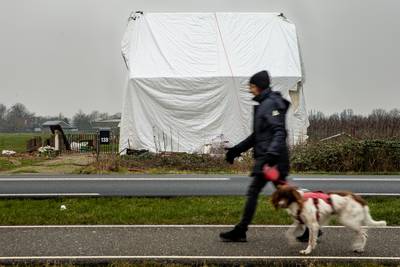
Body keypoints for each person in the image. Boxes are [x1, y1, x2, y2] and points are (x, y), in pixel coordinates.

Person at [219, 70, 291, 242]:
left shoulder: (270, 104)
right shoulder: (264, 104)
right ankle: (308, 228)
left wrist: (271, 156)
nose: (250, 89)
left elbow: (279, 132)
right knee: (285, 194)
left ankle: (241, 230)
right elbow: (257, 136)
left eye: (251, 86)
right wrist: (235, 150)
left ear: (258, 87)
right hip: (269, 159)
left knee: (259, 192)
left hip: (272, 160)